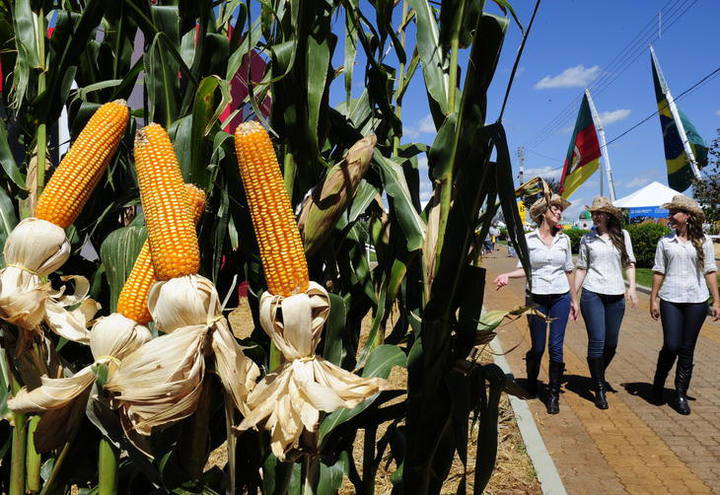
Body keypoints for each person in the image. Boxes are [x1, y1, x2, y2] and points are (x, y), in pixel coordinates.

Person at [494, 194, 579, 414]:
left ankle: (552, 394)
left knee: (556, 347)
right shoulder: (529, 239)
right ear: (543, 213)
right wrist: (507, 275)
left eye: (561, 209)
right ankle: (532, 380)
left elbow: (569, 270)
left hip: (560, 296)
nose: (559, 212)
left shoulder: (565, 240)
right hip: (536, 298)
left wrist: (574, 300)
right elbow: (525, 268)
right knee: (539, 346)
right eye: (555, 208)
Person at [649, 194, 720, 415]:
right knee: (671, 345)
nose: (670, 217)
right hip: (671, 298)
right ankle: (659, 382)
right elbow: (659, 270)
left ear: (686, 216)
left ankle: (680, 393)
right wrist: (653, 297)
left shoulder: (704, 242)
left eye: (673, 213)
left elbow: (709, 270)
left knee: (687, 348)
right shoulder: (665, 242)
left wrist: (716, 299)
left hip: (696, 300)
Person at [574, 197, 637, 410]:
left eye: (599, 213)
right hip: (592, 293)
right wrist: (573, 295)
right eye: (594, 213)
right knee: (598, 340)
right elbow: (582, 268)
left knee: (611, 343)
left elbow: (629, 264)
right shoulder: (587, 239)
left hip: (616, 294)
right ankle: (599, 388)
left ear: (608, 215)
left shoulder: (622, 236)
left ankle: (596, 373)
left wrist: (632, 288)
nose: (595, 216)